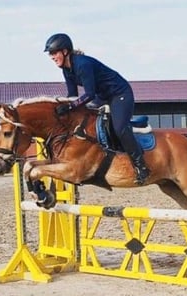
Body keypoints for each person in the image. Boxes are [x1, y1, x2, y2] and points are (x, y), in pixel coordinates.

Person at [44, 32, 150, 185]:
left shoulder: (82, 64)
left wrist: (70, 106)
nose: (52, 57)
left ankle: (141, 165)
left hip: (119, 94)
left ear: (65, 51)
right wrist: (64, 107)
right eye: (50, 54)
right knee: (85, 120)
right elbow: (72, 95)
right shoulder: (66, 69)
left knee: (119, 128)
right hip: (103, 96)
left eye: (54, 53)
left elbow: (89, 94)